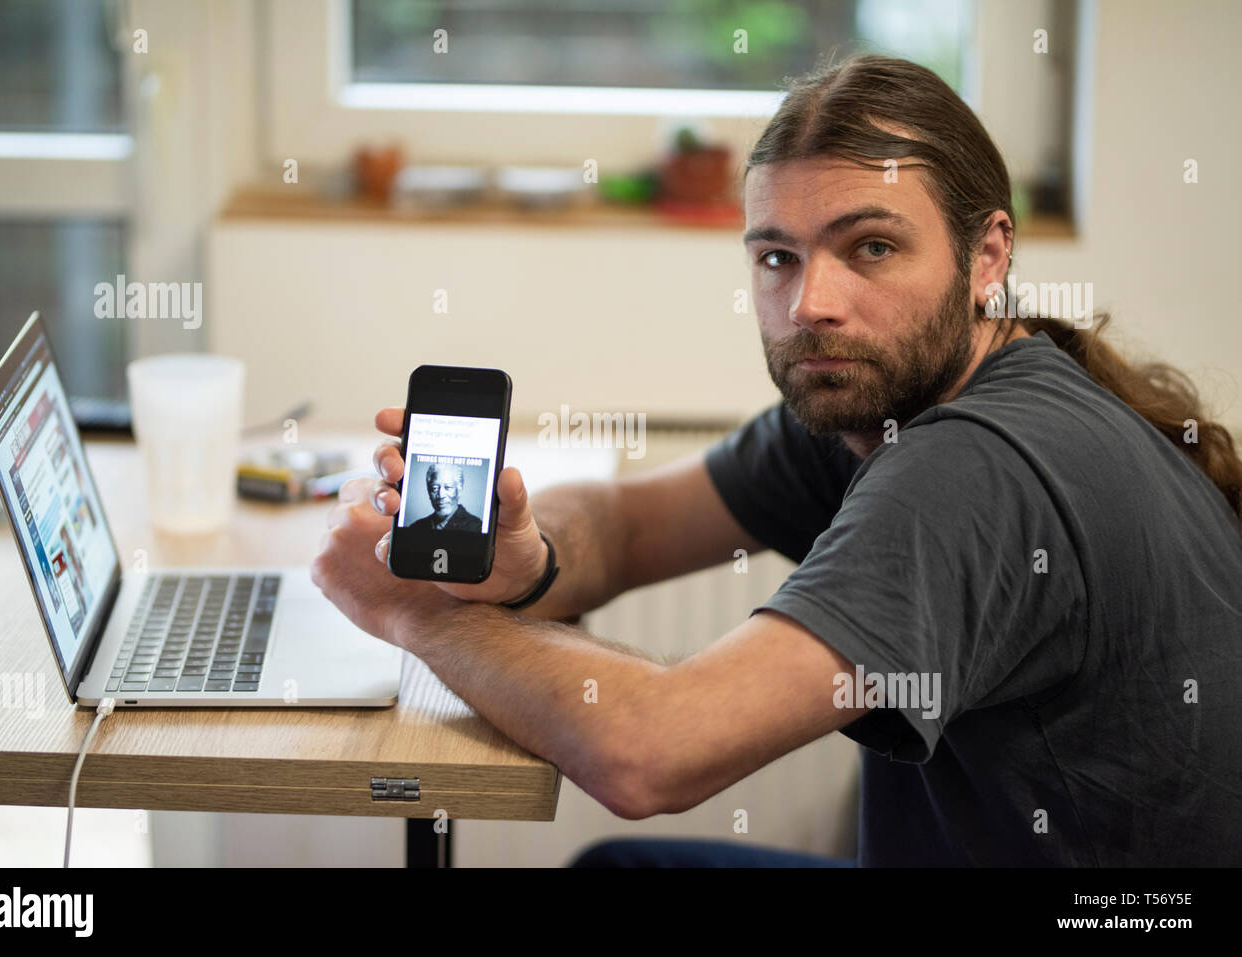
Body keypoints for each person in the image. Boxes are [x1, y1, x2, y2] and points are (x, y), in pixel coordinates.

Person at [311, 55, 1242, 866]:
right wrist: (528, 556)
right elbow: (633, 524)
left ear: (986, 254)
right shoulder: (880, 401)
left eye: (870, 246)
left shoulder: (973, 468)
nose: (810, 303)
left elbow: (653, 752)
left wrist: (410, 610)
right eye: (776, 258)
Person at [405, 462, 482, 532]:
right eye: (435, 488)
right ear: (429, 491)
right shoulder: (416, 527)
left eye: (448, 487)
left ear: (459, 491)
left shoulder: (476, 527)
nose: (441, 495)